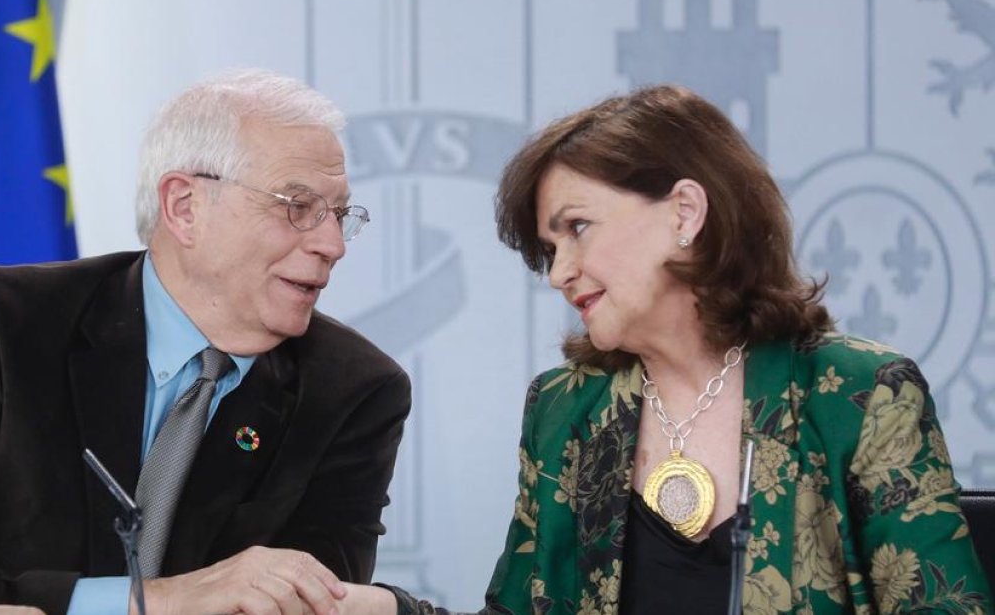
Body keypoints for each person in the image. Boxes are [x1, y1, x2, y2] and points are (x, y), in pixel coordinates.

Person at [343, 84, 993, 614]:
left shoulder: (861, 392)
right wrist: (382, 610)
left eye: (577, 227)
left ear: (684, 212)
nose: (560, 270)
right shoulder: (565, 408)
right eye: (551, 247)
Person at [0, 69, 412, 615]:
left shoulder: (354, 391)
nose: (333, 245)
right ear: (184, 207)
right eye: (297, 206)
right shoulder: (2, 324)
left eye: (339, 214)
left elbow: (305, 606)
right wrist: (162, 602)